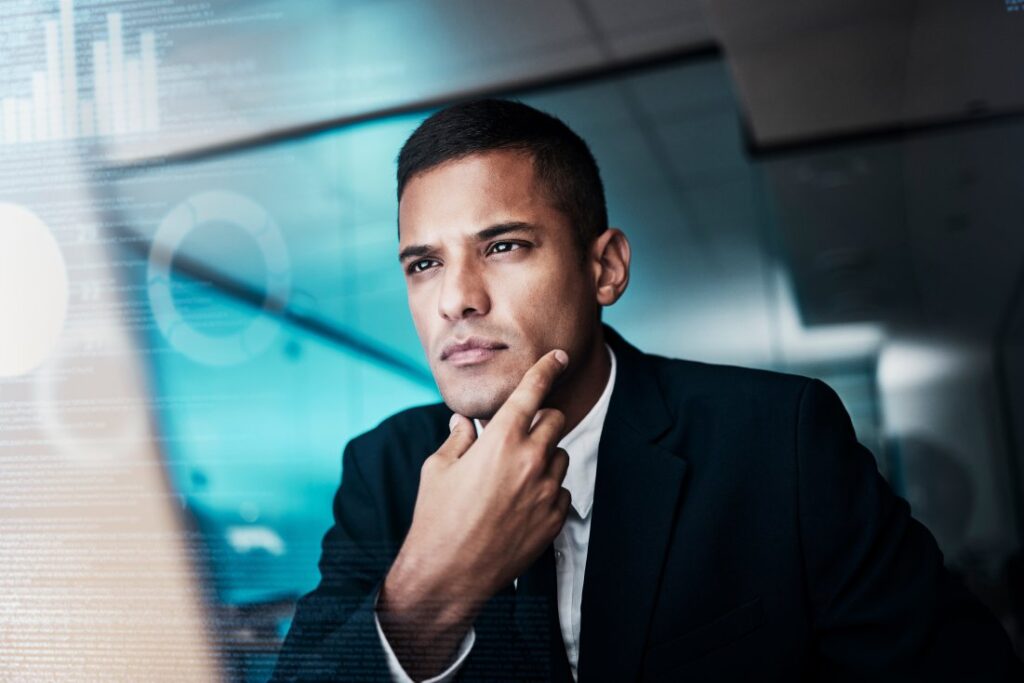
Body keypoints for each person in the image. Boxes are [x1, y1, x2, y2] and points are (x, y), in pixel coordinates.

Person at [271, 99, 1022, 682]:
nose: (456, 299)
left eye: (502, 246)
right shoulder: (385, 469)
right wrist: (428, 597)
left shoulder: (777, 441)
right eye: (423, 264)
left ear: (605, 269)